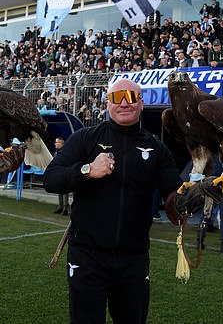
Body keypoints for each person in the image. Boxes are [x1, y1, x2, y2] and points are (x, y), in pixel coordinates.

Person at [43, 78, 182, 324]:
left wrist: (197, 194)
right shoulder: (85, 138)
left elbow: (175, 200)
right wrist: (87, 170)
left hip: (134, 259)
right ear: (108, 104)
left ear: (141, 103)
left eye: (131, 97)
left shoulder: (157, 149)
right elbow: (51, 179)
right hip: (86, 256)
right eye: (118, 97)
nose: (124, 103)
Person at [52, 137, 70, 215]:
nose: (55, 144)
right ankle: (61, 206)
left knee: (65, 190)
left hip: (65, 173)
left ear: (62, 143)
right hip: (58, 173)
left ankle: (65, 208)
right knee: (59, 189)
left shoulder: (66, 152)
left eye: (57, 142)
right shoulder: (56, 153)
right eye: (55, 142)